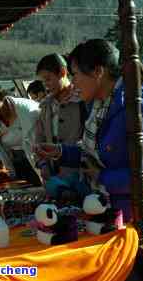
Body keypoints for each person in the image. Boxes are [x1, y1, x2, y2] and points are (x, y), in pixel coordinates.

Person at [36, 39, 143, 248]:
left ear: (97, 72)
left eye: (76, 74)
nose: (73, 82)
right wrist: (60, 152)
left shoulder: (139, 108)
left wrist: (103, 177)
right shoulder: (99, 105)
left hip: (139, 225)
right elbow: (97, 153)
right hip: (110, 217)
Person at [34, 53, 87, 198]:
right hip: (55, 181)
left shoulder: (83, 100)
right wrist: (43, 164)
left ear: (63, 72)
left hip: (82, 179)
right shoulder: (45, 106)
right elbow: (39, 140)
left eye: (48, 79)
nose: (46, 85)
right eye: (43, 81)